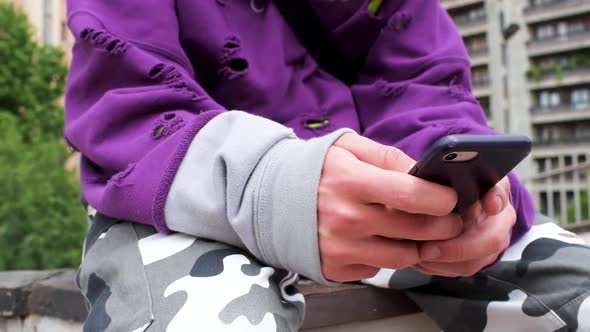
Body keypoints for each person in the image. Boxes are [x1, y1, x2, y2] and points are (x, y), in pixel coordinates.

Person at [66, 0, 590, 331]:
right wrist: (275, 187)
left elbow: (425, 82)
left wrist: (475, 192)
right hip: (176, 199)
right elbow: (129, 101)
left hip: (382, 204)